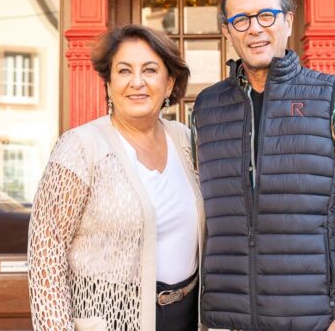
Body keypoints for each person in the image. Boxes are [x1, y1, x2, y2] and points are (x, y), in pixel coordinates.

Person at [192, 0, 335, 331]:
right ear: (227, 31)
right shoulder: (206, 108)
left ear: (287, 21)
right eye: (240, 20)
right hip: (226, 319)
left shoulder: (332, 97)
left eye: (266, 16)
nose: (254, 29)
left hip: (314, 318)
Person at [28, 24, 204, 331]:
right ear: (109, 84)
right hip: (110, 316)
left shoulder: (186, 141)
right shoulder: (80, 147)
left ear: (169, 83)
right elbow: (47, 252)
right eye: (124, 71)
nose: (137, 82)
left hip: (187, 315)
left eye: (150, 70)